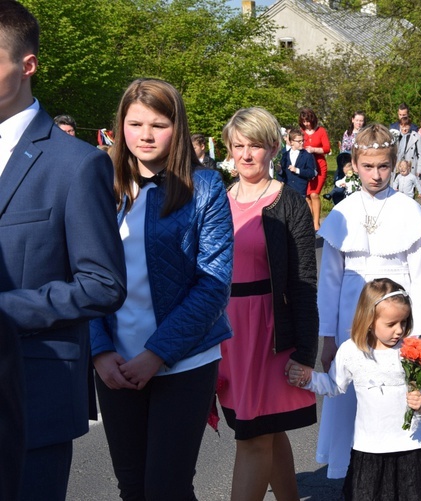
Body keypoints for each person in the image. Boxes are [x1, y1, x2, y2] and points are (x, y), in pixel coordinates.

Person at [0, 4, 126, 500]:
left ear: (27, 65)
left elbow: (102, 284)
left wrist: (5, 309)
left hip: (31, 398)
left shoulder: (77, 165)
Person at [90, 78, 233, 501]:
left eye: (159, 124)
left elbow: (213, 284)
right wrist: (98, 350)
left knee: (166, 488)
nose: (146, 135)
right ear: (120, 128)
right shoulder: (98, 186)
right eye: (135, 124)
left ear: (179, 127)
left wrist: (157, 354)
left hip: (185, 359)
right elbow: (80, 275)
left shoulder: (205, 188)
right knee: (132, 487)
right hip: (113, 362)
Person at [315, 123, 421, 479]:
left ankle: (400, 470)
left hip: (398, 315)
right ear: (354, 163)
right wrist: (327, 336)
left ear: (394, 163)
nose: (376, 174)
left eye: (383, 166)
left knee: (398, 391)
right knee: (351, 392)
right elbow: (329, 280)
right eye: (368, 166)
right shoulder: (342, 212)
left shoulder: (408, 209)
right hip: (350, 314)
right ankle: (353, 470)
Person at [217, 107, 318, 501]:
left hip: (270, 331)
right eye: (238, 145)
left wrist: (306, 352)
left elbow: (305, 282)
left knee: (253, 434)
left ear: (272, 148)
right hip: (227, 332)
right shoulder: (215, 199)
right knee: (267, 429)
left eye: (255, 145)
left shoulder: (289, 203)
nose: (245, 155)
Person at [289, 278, 421, 501]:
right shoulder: (352, 351)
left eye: (404, 322)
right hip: (370, 446)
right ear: (369, 320)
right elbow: (334, 385)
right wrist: (308, 379)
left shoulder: (412, 349)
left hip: (410, 444)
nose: (399, 330)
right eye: (391, 324)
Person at [299, 107, 331, 230]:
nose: (306, 124)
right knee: (306, 195)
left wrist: (313, 149)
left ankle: (316, 223)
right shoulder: (301, 132)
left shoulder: (321, 131)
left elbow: (327, 148)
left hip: (319, 166)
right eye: (304, 122)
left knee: (314, 194)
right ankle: (310, 220)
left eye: (308, 121)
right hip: (306, 167)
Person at [279, 127, 317, 197]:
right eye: (299, 141)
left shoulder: (307, 155)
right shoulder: (284, 155)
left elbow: (311, 173)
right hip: (286, 191)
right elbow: (282, 174)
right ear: (291, 142)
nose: (302, 143)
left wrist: (297, 170)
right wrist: (280, 172)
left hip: (300, 191)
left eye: (302, 140)